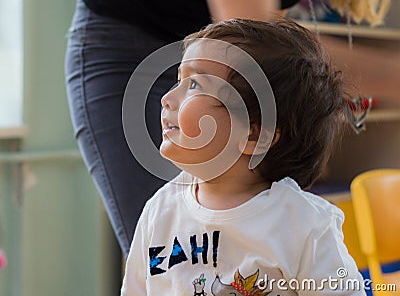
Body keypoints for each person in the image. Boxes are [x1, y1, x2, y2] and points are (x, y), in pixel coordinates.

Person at [65, 0, 392, 258]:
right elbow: (256, 48)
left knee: (237, 244)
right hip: (128, 50)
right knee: (176, 249)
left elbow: (267, 52)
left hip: (211, 61)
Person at [120, 18, 366, 296]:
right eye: (179, 80)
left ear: (253, 136)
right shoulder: (159, 211)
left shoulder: (305, 226)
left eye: (195, 85)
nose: (166, 98)